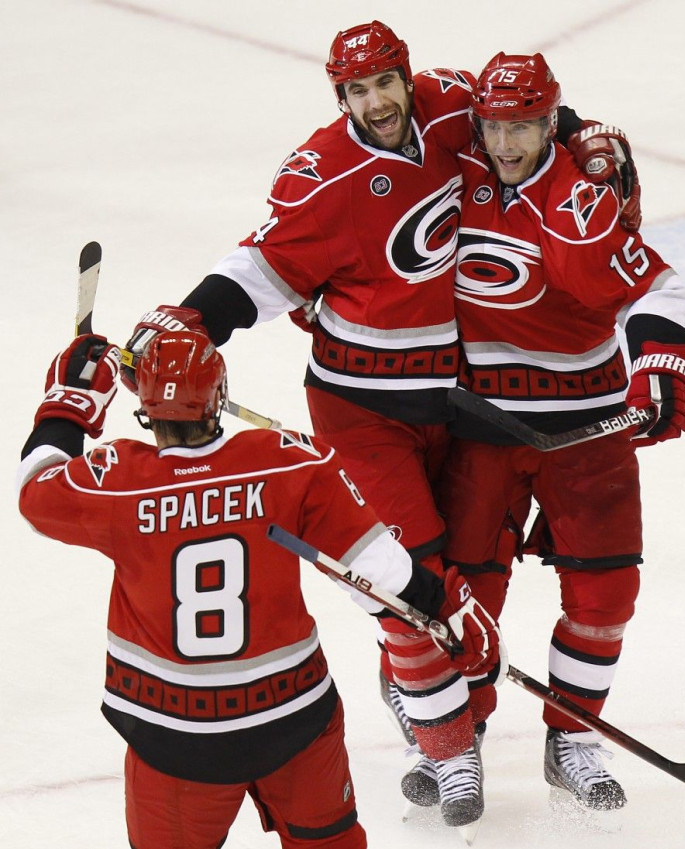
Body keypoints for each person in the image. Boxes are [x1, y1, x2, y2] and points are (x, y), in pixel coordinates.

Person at [120, 21, 642, 822]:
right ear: (340, 97)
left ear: (405, 75)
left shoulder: (447, 102)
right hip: (363, 410)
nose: (377, 102)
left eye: (384, 83)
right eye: (357, 92)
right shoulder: (320, 171)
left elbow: (524, 112)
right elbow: (258, 267)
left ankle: (452, 711)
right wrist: (191, 319)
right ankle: (447, 748)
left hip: (463, 404)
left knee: (473, 586)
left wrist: (589, 135)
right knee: (412, 590)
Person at [16, 330, 503, 847]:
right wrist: (448, 609)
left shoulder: (116, 481)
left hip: (174, 737)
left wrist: (68, 405)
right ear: (220, 397)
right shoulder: (290, 461)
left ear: (145, 407)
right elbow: (382, 577)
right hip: (294, 720)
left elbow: (35, 489)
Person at [439, 52, 685, 815]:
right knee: (466, 592)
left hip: (586, 425)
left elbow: (654, 284)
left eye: (523, 125)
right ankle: (462, 738)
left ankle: (575, 737)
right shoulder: (456, 177)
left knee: (605, 591)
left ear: (550, 121)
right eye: (494, 125)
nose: (506, 141)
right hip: (481, 423)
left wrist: (656, 363)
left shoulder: (579, 201)